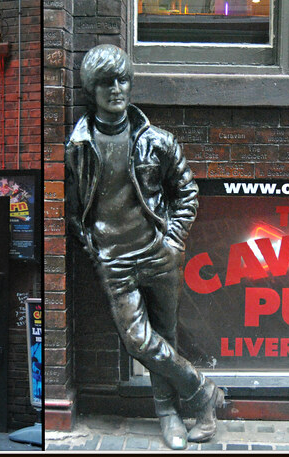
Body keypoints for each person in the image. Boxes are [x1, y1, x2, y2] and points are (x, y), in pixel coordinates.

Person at [64, 44, 224, 450]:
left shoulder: (158, 141)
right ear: (91, 90)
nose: (116, 89)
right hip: (114, 261)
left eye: (122, 80)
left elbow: (187, 192)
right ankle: (203, 391)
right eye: (106, 82)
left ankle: (170, 415)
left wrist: (171, 241)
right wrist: (94, 247)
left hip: (158, 254)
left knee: (164, 339)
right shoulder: (79, 146)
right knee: (138, 340)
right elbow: (73, 208)